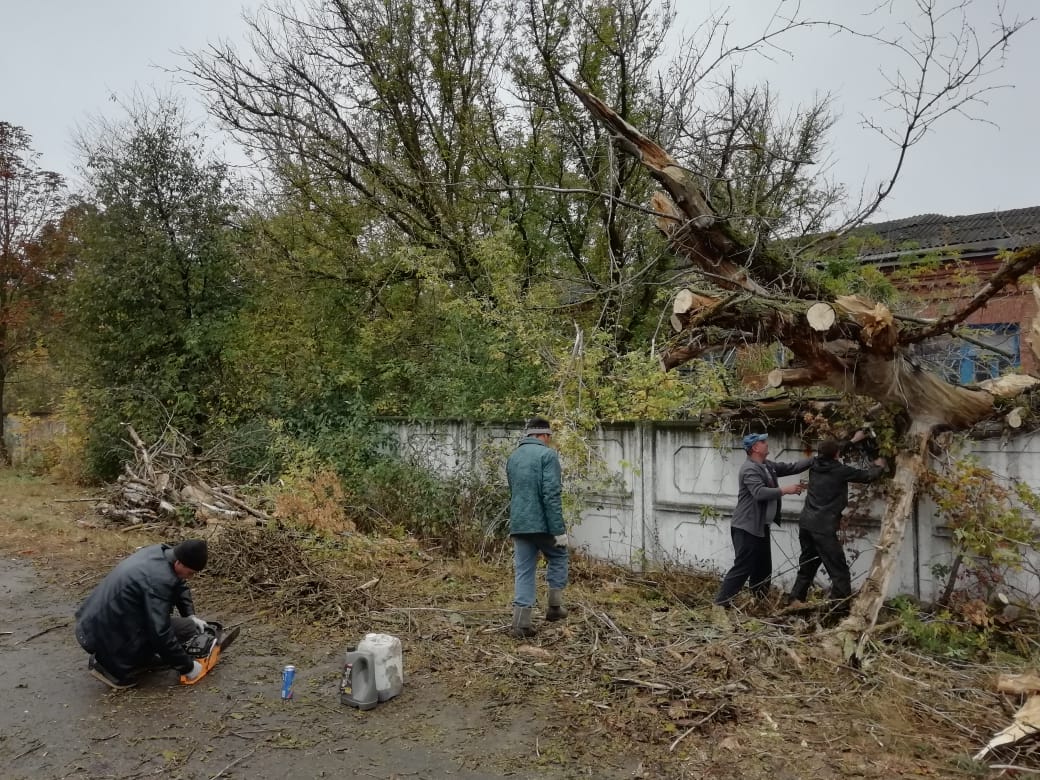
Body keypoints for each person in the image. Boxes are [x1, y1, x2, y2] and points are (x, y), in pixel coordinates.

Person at [75, 539, 213, 689]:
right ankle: (110, 668)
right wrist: (187, 667)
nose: (190, 577)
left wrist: (190, 615)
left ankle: (135, 658)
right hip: (102, 635)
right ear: (179, 563)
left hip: (92, 625)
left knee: (185, 624)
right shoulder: (159, 581)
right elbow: (161, 633)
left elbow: (179, 585)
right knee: (183, 629)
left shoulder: (159, 553)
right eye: (190, 573)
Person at [787, 434, 887, 612]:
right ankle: (839, 609)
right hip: (823, 528)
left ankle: (795, 599)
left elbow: (833, 449)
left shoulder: (815, 464)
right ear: (836, 455)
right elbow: (867, 476)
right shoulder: (840, 470)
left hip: (806, 524)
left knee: (808, 563)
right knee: (839, 570)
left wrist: (853, 440)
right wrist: (879, 465)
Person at [714, 433, 811, 607]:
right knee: (743, 567)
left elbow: (791, 467)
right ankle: (721, 603)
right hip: (746, 527)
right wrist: (785, 490)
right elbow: (759, 493)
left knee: (763, 568)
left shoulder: (767, 466)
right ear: (755, 448)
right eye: (763, 442)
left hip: (760, 527)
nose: (767, 444)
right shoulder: (749, 469)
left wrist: (816, 459)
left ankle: (759, 602)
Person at [506, 417, 568, 638]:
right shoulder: (547, 455)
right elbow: (551, 494)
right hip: (542, 524)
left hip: (520, 523)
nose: (549, 441)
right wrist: (558, 531)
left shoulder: (513, 456)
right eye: (549, 437)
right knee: (559, 555)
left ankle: (521, 623)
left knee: (524, 570)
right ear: (545, 435)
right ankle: (554, 608)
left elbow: (514, 490)